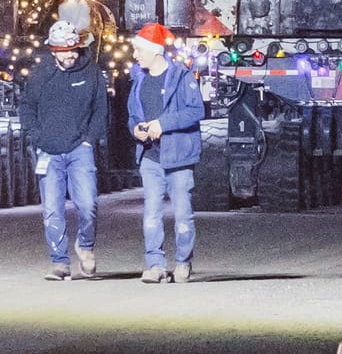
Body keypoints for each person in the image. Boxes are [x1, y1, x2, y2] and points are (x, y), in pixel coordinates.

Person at [18, 19, 108, 280]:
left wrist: (90, 139)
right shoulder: (41, 75)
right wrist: (36, 136)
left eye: (71, 50)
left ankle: (86, 246)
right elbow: (27, 107)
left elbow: (100, 109)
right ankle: (59, 262)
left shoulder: (91, 72)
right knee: (52, 210)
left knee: (88, 204)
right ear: (52, 50)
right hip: (49, 151)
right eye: (61, 51)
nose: (68, 55)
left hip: (80, 150)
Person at [127, 22, 206, 283]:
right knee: (151, 214)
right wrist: (135, 130)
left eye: (139, 50)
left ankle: (183, 262)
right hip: (150, 157)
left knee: (182, 214)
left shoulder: (182, 77)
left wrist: (163, 124)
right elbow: (132, 116)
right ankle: (155, 264)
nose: (135, 55)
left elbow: (196, 112)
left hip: (178, 158)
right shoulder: (138, 80)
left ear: (155, 51)